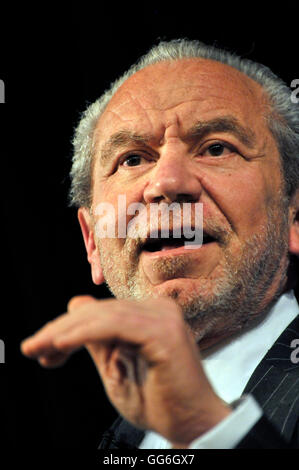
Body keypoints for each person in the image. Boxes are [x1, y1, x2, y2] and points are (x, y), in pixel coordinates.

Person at [21, 39, 299, 449]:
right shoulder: (119, 441)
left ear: (294, 215)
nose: (167, 183)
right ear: (92, 241)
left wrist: (204, 428)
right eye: (132, 159)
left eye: (216, 148)